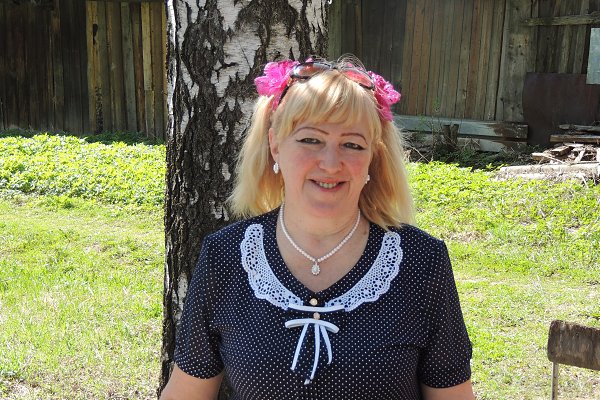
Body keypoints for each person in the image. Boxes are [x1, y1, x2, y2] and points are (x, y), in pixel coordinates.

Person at [160, 56, 475, 400]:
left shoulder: (421, 261)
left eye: (352, 145)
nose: (330, 163)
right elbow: (186, 393)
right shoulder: (226, 256)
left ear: (372, 157)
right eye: (311, 140)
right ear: (275, 145)